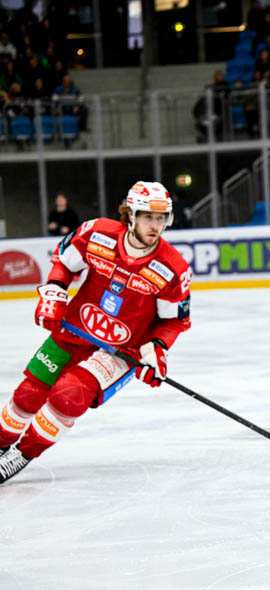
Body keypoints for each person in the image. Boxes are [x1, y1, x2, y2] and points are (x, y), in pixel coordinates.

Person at [0, 182, 192, 483]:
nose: (155, 226)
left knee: (68, 395)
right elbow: (65, 262)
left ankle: (21, 455)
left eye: (161, 218)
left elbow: (172, 321)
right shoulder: (98, 233)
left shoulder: (172, 268)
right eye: (147, 217)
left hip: (120, 351)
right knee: (28, 394)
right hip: (75, 329)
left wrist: (156, 348)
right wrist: (55, 291)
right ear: (131, 215)